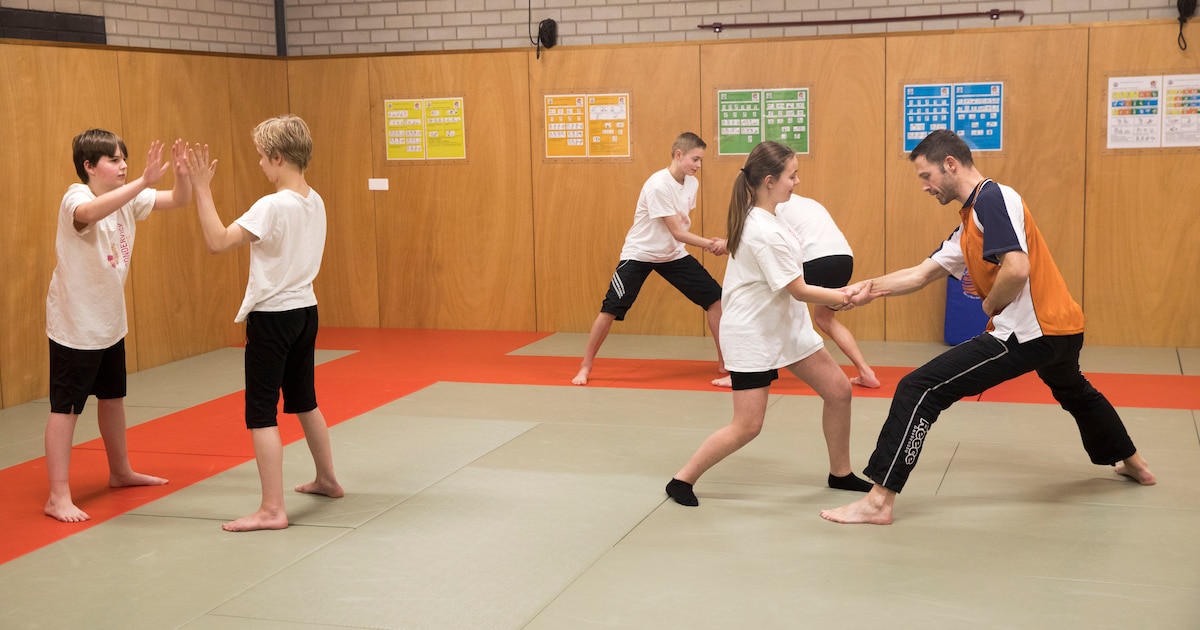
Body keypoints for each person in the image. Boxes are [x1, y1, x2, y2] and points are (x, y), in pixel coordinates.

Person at [820, 129, 1156, 525]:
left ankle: (878, 502)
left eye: (926, 176)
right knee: (1075, 391)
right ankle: (1133, 462)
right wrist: (867, 289)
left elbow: (1016, 269)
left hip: (1027, 332)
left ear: (950, 164)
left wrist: (989, 303)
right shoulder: (968, 225)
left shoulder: (992, 199)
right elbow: (920, 273)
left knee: (919, 388)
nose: (925, 187)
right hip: (1063, 329)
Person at [666, 141, 875, 507]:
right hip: (752, 333)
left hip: (785, 327)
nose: (797, 182)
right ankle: (681, 480)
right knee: (748, 425)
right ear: (769, 181)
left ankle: (840, 473)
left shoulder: (772, 218)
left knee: (839, 391)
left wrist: (841, 294)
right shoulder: (763, 230)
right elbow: (798, 289)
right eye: (792, 176)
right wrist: (845, 296)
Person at [185, 115, 343, 532]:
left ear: (277, 157)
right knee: (304, 400)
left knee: (260, 413)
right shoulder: (315, 200)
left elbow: (217, 241)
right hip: (305, 311)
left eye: (260, 157)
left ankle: (272, 509)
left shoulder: (272, 205)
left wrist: (202, 189)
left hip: (273, 318)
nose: (258, 164)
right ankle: (327, 479)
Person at [44, 131, 192, 522]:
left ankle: (120, 470)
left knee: (113, 398)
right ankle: (57, 495)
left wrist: (182, 177)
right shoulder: (76, 196)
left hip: (109, 321)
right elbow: (89, 214)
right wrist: (143, 181)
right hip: (75, 325)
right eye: (113, 159)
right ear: (89, 167)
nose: (123, 165)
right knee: (66, 408)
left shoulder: (128, 196)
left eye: (124, 158)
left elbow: (178, 200)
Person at [572, 132, 732, 388]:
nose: (698, 165)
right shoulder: (658, 185)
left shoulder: (691, 183)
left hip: (673, 254)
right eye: (695, 159)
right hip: (640, 254)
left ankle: (725, 362)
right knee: (610, 309)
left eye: (700, 160)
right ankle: (585, 365)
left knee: (716, 300)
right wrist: (713, 244)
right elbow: (678, 231)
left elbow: (679, 226)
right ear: (678, 155)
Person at [777, 194, 880, 388]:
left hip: (815, 258)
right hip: (844, 259)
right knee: (825, 319)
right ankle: (866, 372)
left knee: (772, 312)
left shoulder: (775, 202)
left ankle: (751, 373)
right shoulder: (809, 202)